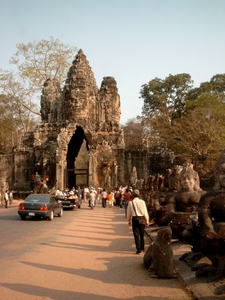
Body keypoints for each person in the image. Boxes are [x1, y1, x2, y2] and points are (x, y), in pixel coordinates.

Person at [127, 189, 149, 254]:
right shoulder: (142, 202)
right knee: (142, 234)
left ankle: (138, 249)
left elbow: (129, 213)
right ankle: (142, 247)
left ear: (133, 195)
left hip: (135, 219)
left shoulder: (131, 202)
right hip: (142, 218)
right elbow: (145, 212)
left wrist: (128, 220)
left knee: (136, 235)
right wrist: (147, 220)